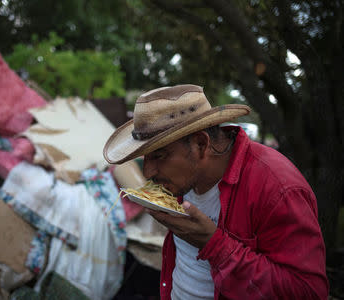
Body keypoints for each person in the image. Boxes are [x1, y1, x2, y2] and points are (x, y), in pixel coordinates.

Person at [103, 84, 328, 299]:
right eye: (146, 157)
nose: (149, 171)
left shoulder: (277, 188)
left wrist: (214, 244)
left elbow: (308, 292)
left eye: (159, 155)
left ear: (201, 144)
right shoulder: (184, 178)